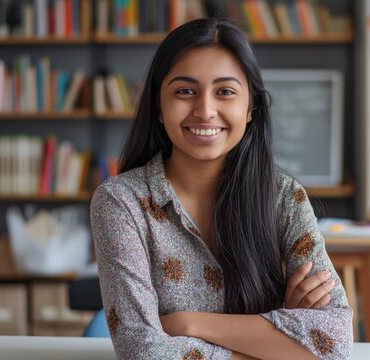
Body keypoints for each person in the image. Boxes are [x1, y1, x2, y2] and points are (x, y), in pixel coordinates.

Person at [90, 18, 353, 360]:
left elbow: (336, 343)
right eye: (185, 91)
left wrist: (188, 323)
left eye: (225, 91)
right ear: (158, 106)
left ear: (250, 109)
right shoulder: (120, 203)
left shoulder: (285, 198)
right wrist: (278, 342)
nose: (205, 110)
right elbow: (142, 351)